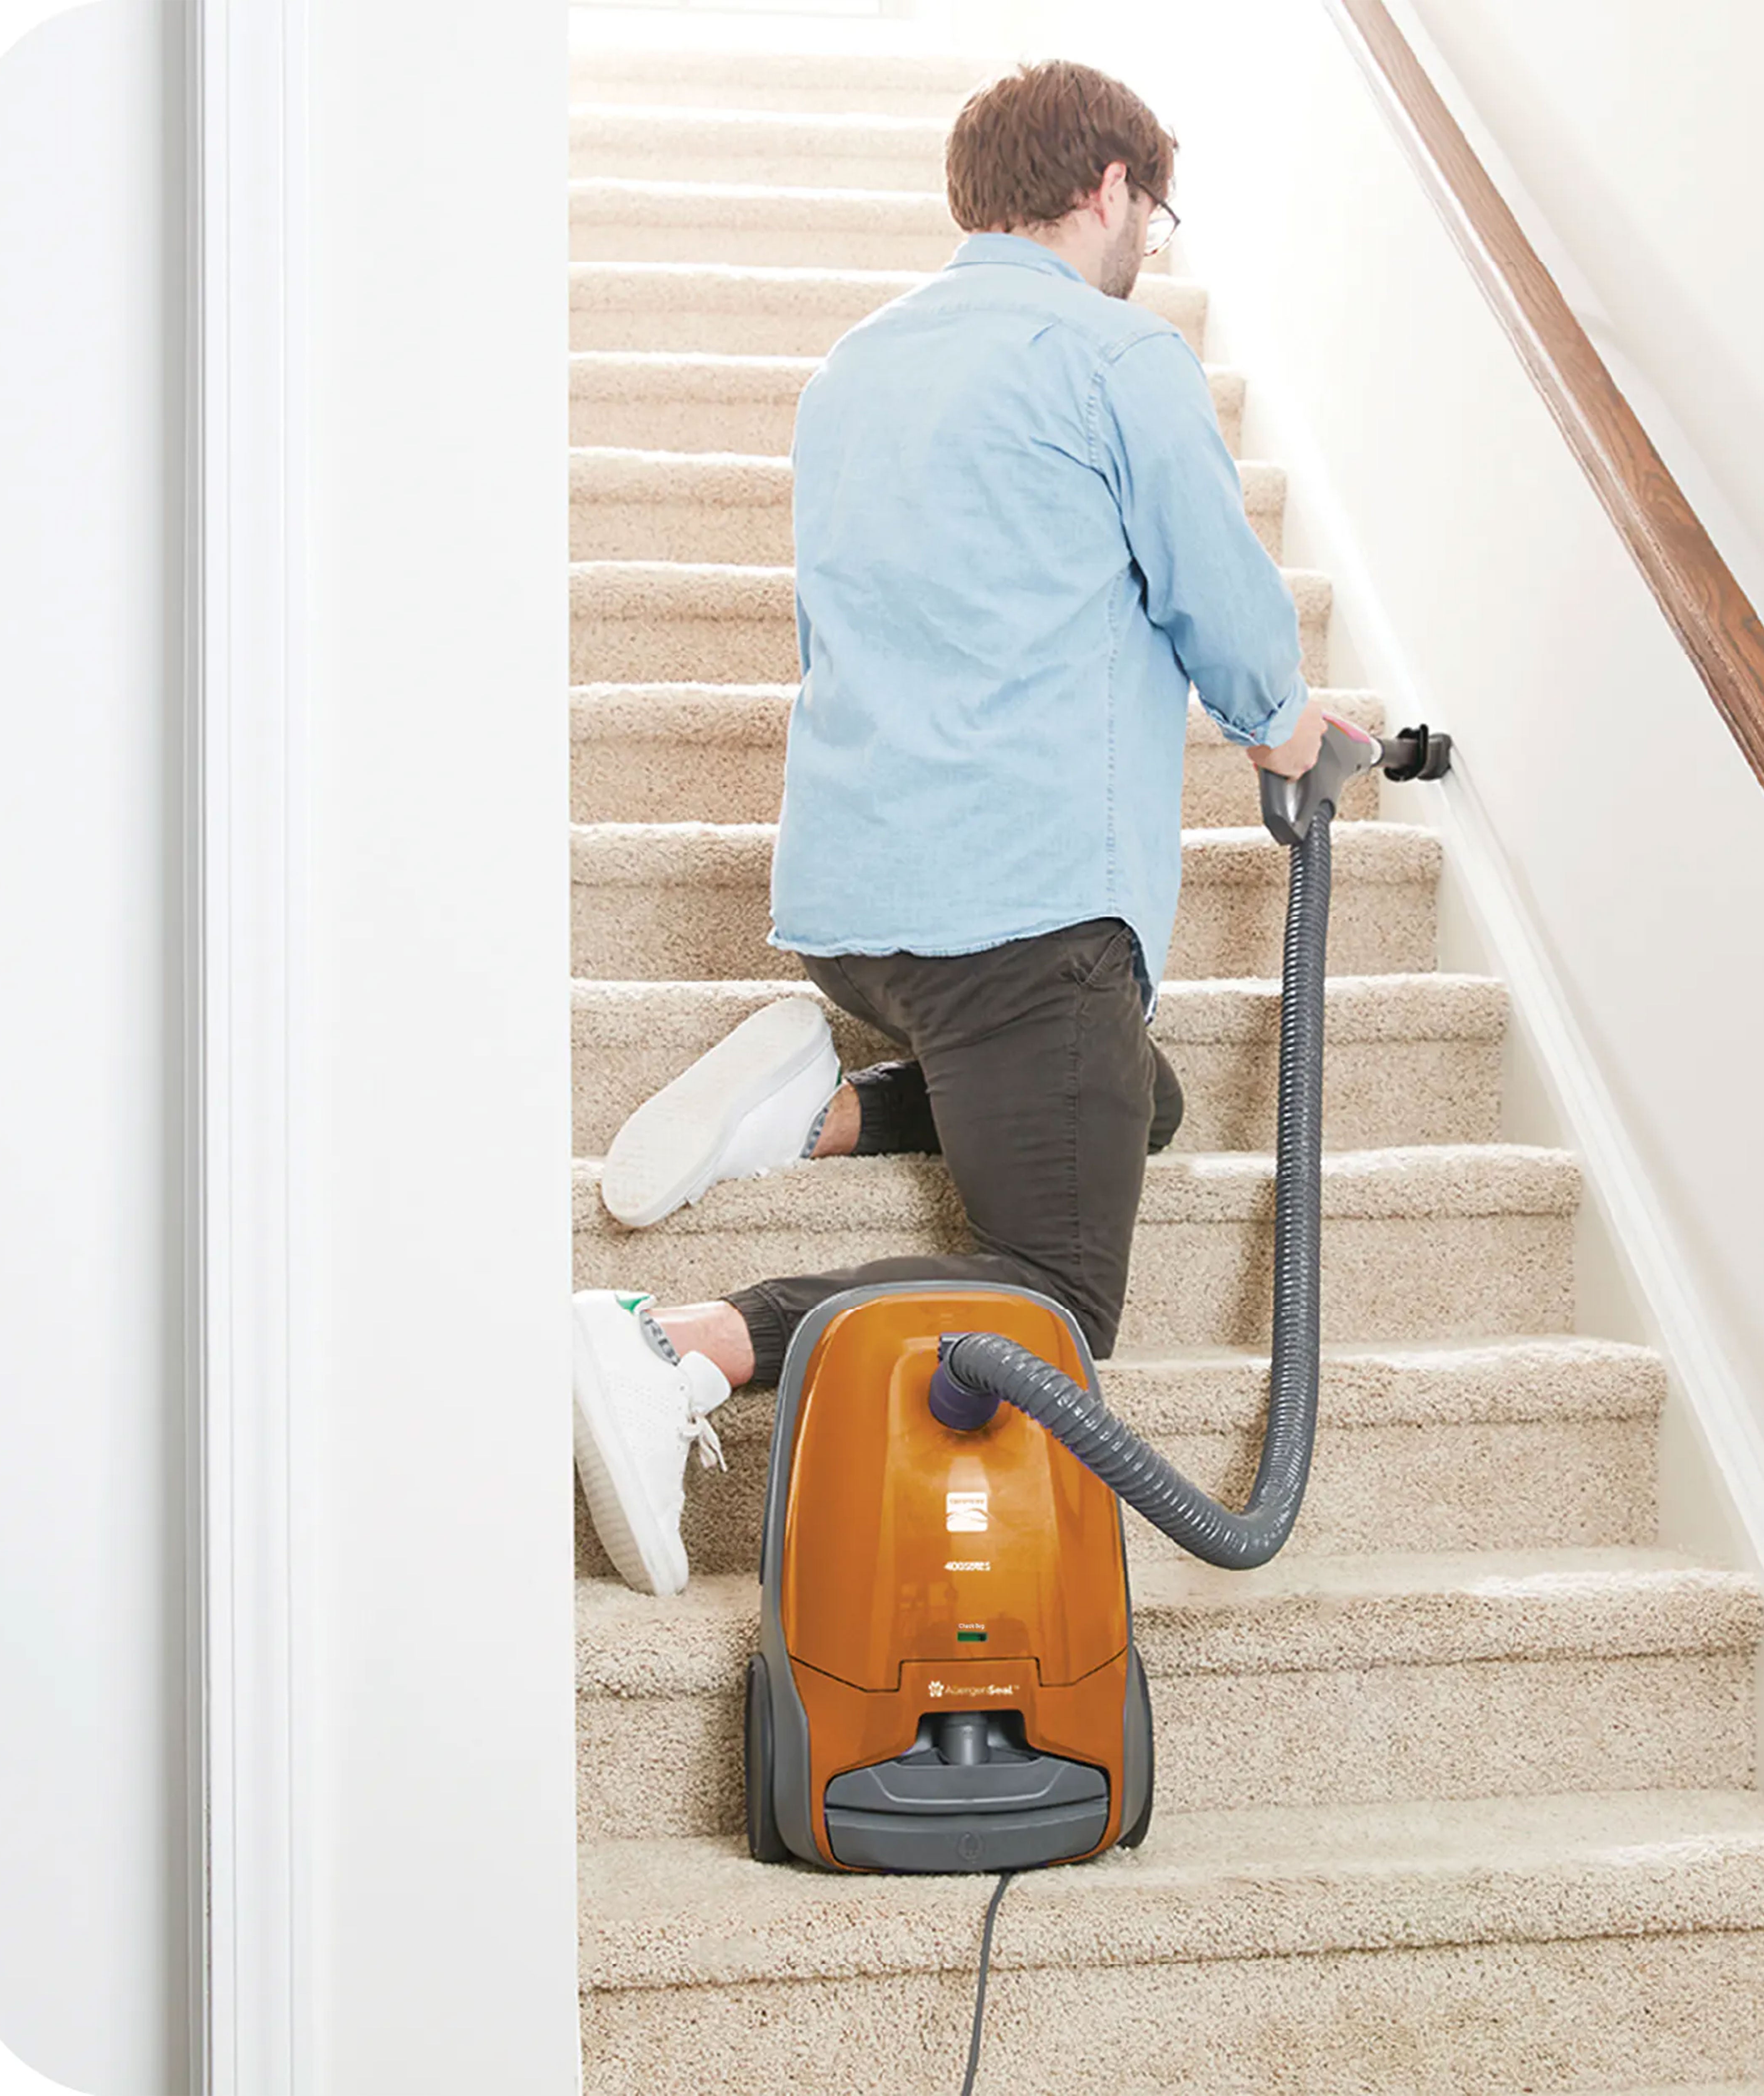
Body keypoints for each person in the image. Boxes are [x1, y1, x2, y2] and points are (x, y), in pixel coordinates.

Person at [570, 58, 1337, 1596]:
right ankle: (679, 1350)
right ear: (1111, 188)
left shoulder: (855, 368)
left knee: (1137, 1097)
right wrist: (1289, 726)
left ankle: (816, 1112)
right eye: (1153, 213)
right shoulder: (1116, 357)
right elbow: (1223, 605)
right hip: (1021, 920)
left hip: (855, 910)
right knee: (1051, 1293)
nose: (1150, 244)